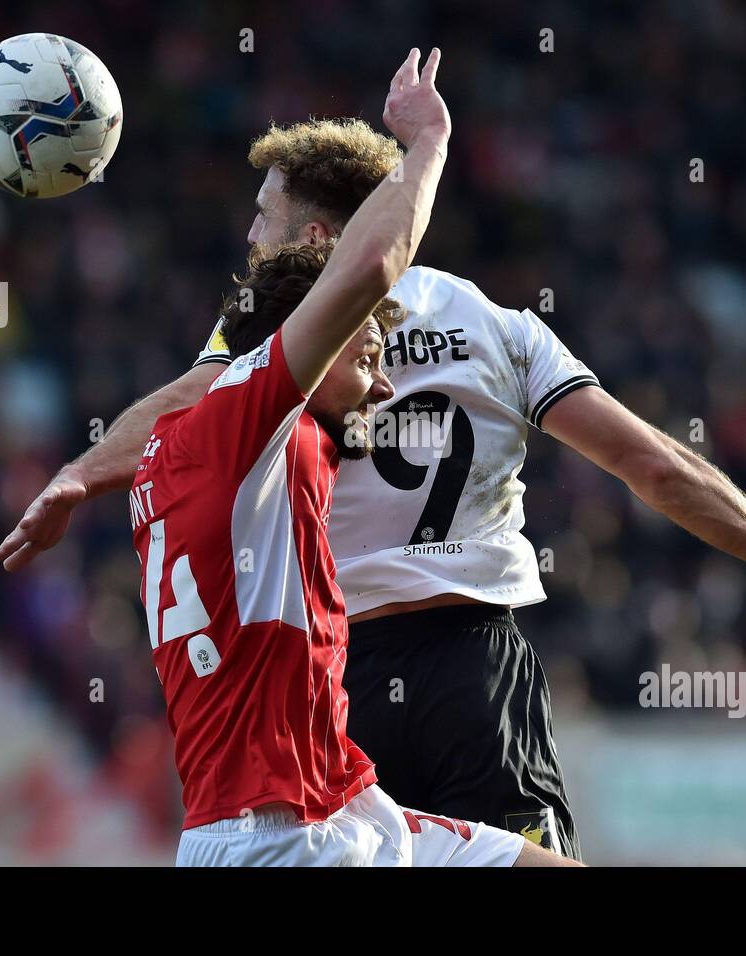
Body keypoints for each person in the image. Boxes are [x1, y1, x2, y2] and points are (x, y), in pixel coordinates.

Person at [0, 61, 746, 866]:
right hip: (462, 677)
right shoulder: (499, 326)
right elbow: (657, 468)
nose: (250, 241)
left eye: (263, 220)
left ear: (313, 232)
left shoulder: (267, 347)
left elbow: (178, 406)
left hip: (334, 690)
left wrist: (79, 474)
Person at [126, 48, 571, 866]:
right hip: (275, 834)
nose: (379, 390)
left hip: (343, 800)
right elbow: (369, 262)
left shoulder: (191, 443)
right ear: (303, 342)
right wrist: (428, 145)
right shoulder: (250, 418)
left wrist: (78, 475)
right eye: (368, 359)